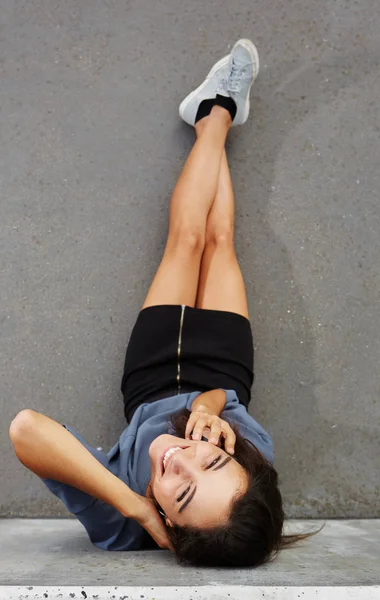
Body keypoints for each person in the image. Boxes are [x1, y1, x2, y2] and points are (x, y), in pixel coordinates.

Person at [9, 39, 310, 567]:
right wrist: (206, 407)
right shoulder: (252, 455)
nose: (184, 461)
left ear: (171, 529)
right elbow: (224, 395)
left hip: (151, 374)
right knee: (219, 240)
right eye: (215, 463)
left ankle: (215, 113)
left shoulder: (121, 524)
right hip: (224, 365)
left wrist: (135, 506)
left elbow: (26, 429)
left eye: (183, 494)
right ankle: (214, 116)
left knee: (185, 241)